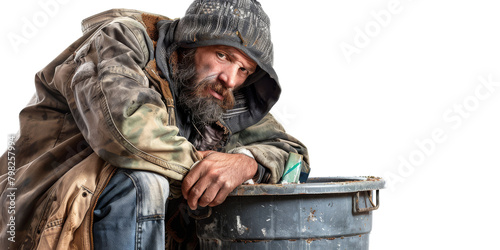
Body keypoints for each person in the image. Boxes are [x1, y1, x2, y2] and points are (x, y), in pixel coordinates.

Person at [0, 0, 309, 249]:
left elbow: (293, 154)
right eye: (222, 55)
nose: (231, 78)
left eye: (244, 69)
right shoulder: (120, 42)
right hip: (39, 217)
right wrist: (211, 172)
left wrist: (245, 164)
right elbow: (127, 130)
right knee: (145, 182)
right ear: (189, 44)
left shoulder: (216, 94)